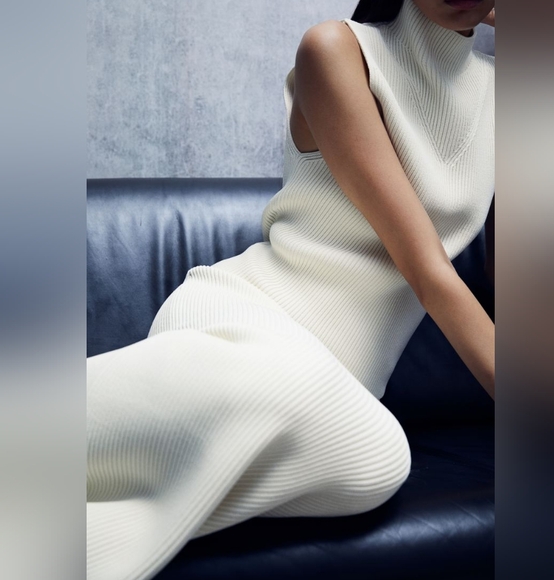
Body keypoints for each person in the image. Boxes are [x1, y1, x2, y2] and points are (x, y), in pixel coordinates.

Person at [87, 1, 495, 579]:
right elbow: (427, 271)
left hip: (333, 390)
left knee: (371, 467)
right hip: (242, 322)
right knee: (380, 452)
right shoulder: (338, 51)